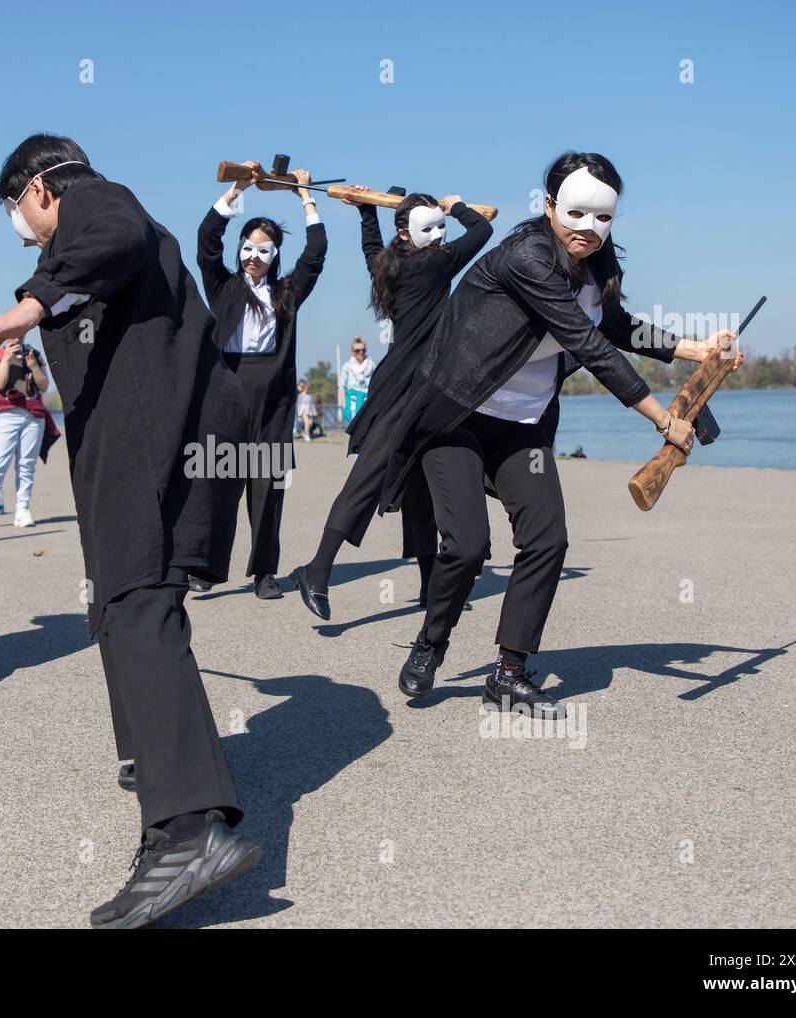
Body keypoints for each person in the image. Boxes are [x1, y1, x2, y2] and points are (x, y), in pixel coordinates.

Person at [0, 134, 259, 929]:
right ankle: (154, 762)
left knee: (134, 599)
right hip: (166, 421)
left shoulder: (93, 198)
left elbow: (112, 233)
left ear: (41, 187)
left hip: (157, 426)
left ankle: (187, 831)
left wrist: (29, 302)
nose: (24, 227)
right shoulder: (103, 220)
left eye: (19, 211)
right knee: (125, 601)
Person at [377, 152, 743, 715]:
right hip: (455, 416)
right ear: (549, 206)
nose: (589, 230)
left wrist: (697, 348)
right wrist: (661, 419)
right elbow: (585, 343)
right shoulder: (526, 257)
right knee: (469, 545)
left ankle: (508, 672)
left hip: (522, 426)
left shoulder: (596, 260)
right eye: (576, 214)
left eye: (603, 219)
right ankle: (431, 642)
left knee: (548, 540)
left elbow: (612, 323)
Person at [293, 190, 494, 620]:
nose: (441, 236)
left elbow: (371, 248)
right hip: (405, 389)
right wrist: (457, 206)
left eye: (442, 227)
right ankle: (316, 569)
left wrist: (368, 210)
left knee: (421, 487)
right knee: (367, 478)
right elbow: (483, 229)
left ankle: (427, 586)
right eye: (432, 227)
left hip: (421, 388)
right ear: (405, 233)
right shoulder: (436, 264)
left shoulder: (389, 265)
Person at [196, 161, 327, 600]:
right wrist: (235, 192)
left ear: (275, 256)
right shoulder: (222, 286)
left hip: (272, 395)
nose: (254, 257)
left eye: (264, 250)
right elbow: (205, 241)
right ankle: (204, 565)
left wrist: (306, 199)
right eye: (248, 249)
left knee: (267, 490)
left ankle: (264, 572)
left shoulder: (286, 293)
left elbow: (316, 254)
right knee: (218, 484)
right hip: (227, 389)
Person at [0, 339, 58, 529]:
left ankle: (22, 510)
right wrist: (8, 358)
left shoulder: (34, 354)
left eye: (20, 333)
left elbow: (43, 386)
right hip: (6, 414)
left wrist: (33, 366)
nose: (16, 337)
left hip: (34, 415)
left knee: (26, 465)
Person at [338, 338, 374, 424]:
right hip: (352, 402)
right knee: (355, 426)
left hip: (367, 400)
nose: (361, 352)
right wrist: (343, 405)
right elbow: (341, 387)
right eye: (357, 350)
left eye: (363, 350)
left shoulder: (372, 365)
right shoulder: (347, 366)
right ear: (352, 352)